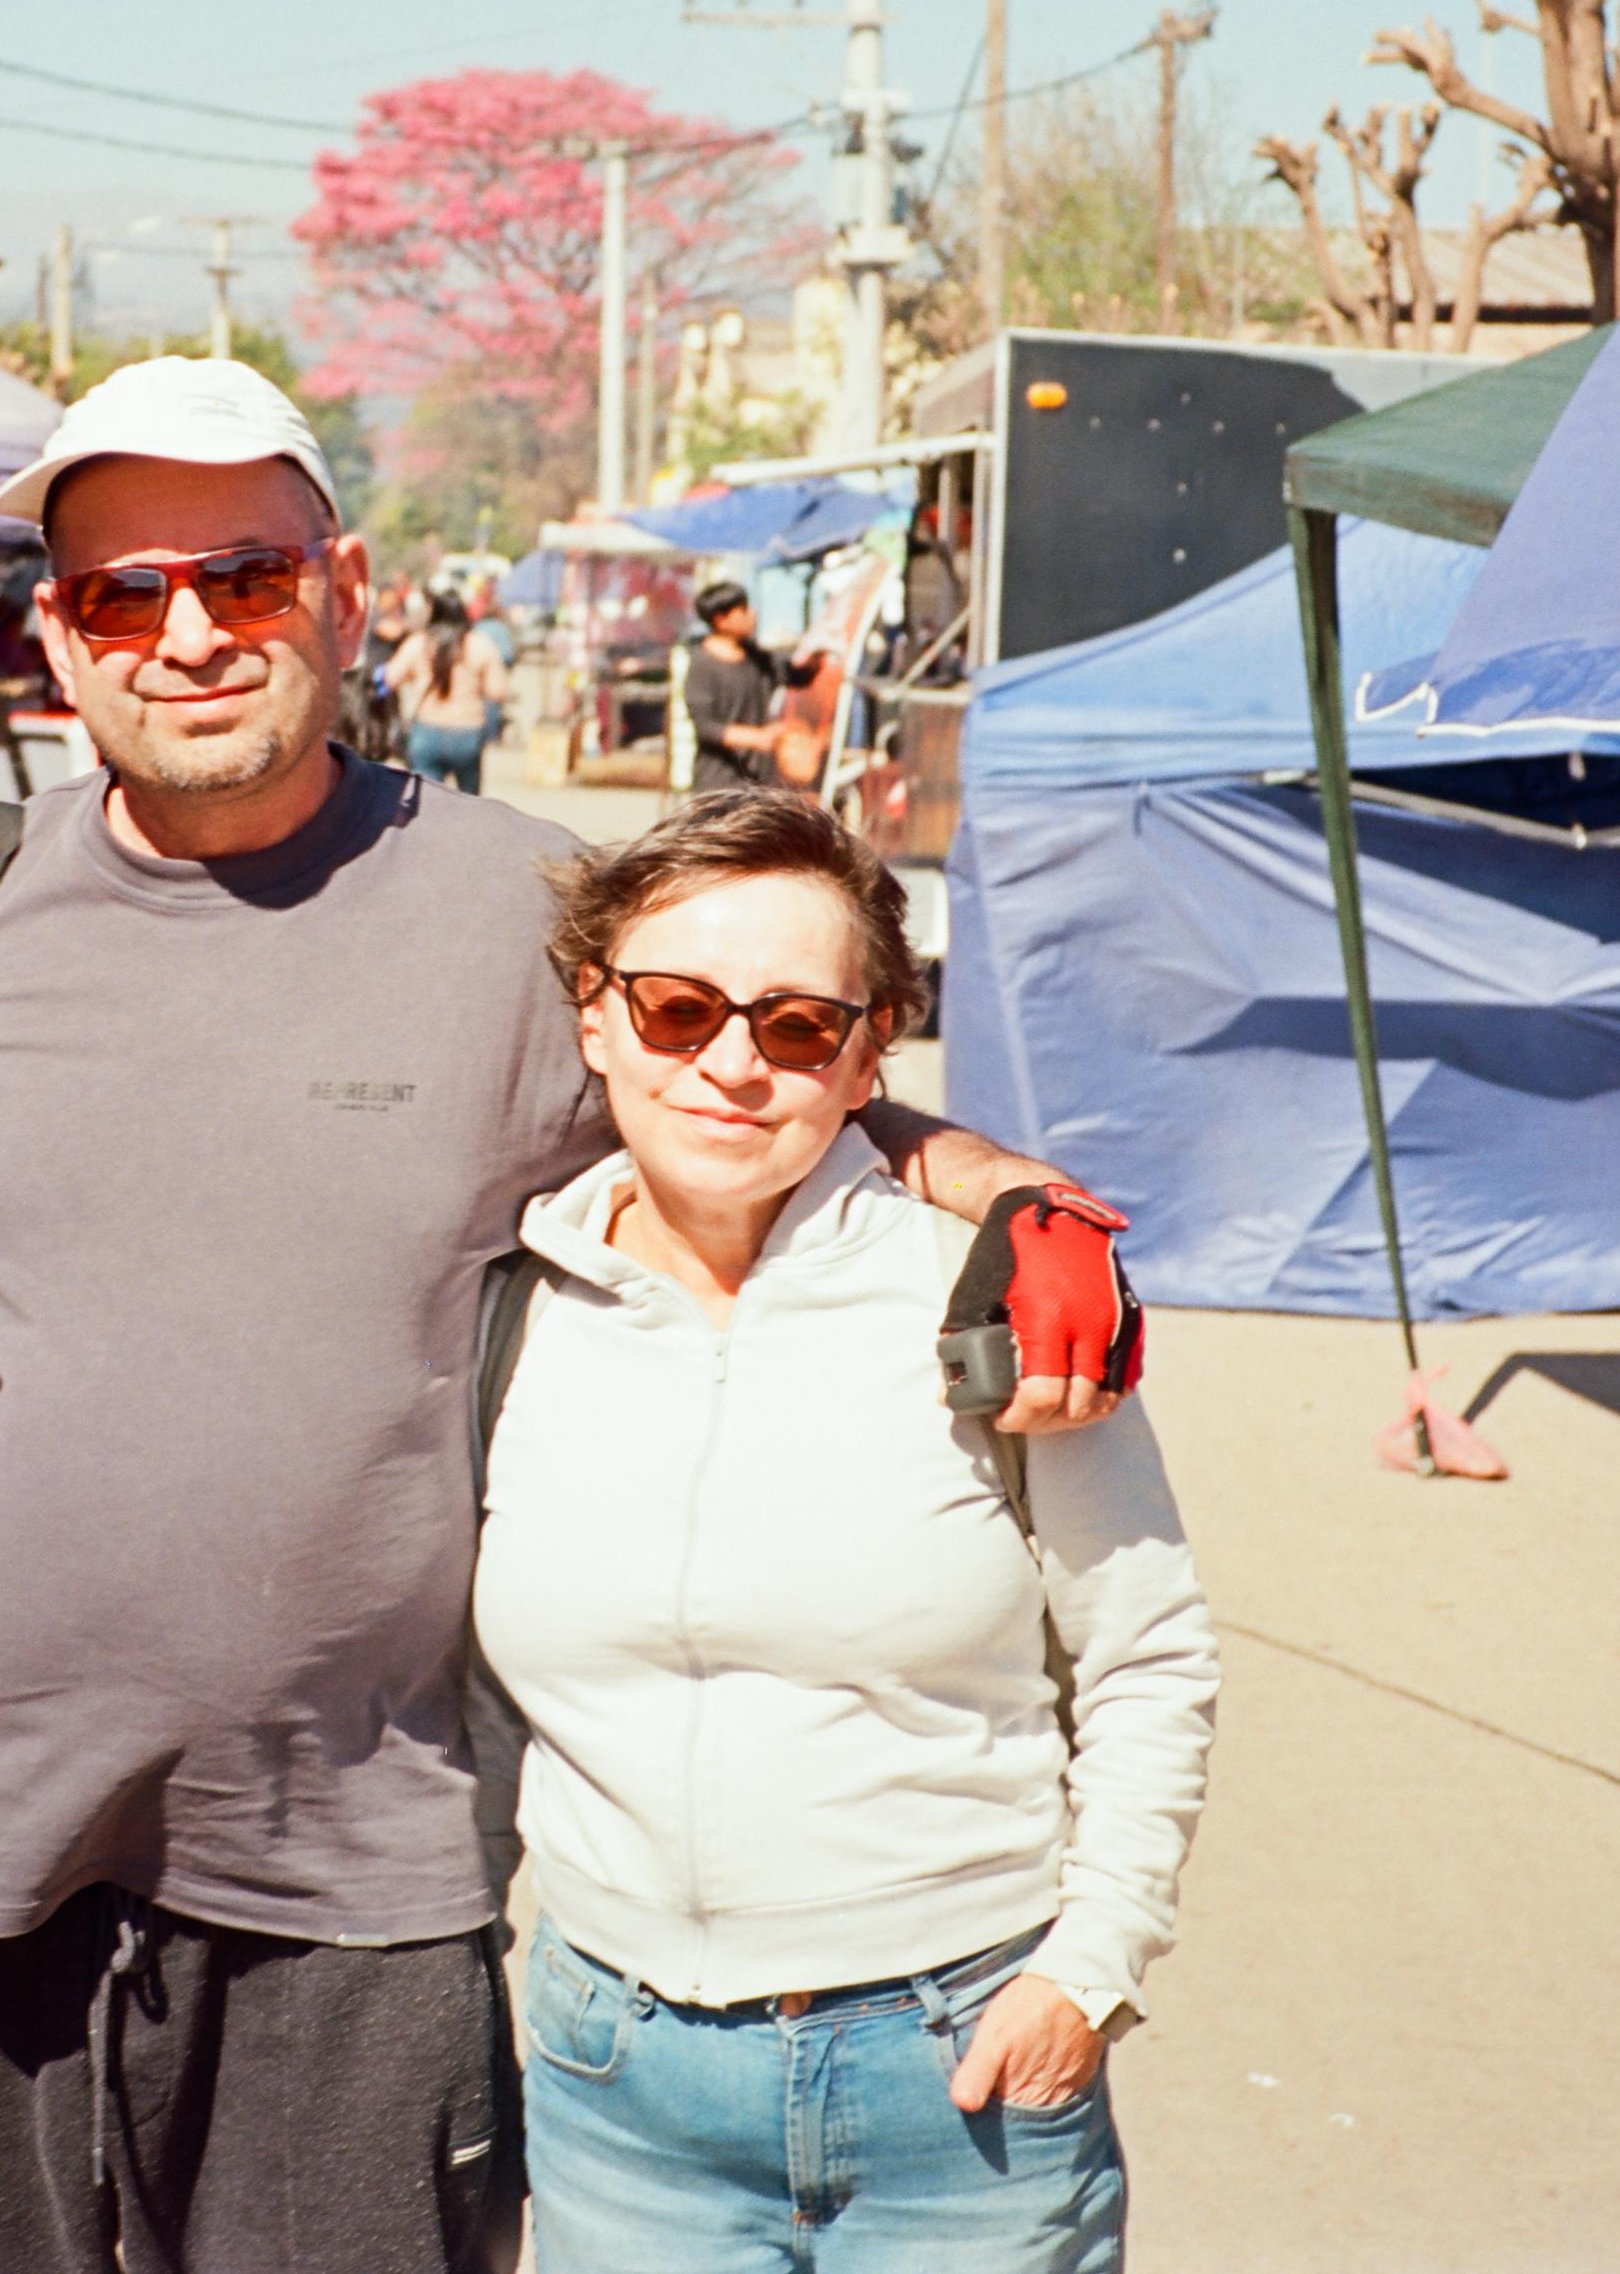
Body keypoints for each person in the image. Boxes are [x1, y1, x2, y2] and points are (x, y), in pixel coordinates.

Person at [0, 354, 1145, 2274]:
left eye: (248, 576)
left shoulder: (517, 904)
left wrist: (1019, 1197)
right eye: (123, 590)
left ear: (349, 588)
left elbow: (776, 1059)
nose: (188, 630)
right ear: (58, 632)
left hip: (356, 1891)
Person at [476, 789, 1215, 2272]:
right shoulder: (510, 1303)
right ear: (597, 1018)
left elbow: (1148, 1650)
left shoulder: (990, 1296)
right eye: (680, 1007)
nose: (733, 1062)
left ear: (871, 1052)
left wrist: (1091, 1966)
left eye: (800, 1025)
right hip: (620, 2086)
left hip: (958, 2076)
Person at [390, 568, 503, 795]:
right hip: (467, 731)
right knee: (469, 804)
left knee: (425, 803)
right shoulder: (480, 644)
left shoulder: (419, 643)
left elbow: (390, 678)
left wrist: (416, 676)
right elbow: (497, 691)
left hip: (427, 730)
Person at [680, 580, 782, 794]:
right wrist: (758, 737)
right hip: (718, 785)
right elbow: (706, 726)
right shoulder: (702, 665)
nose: (752, 614)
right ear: (721, 619)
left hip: (759, 784)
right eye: (743, 610)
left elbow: (795, 675)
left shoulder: (757, 658)